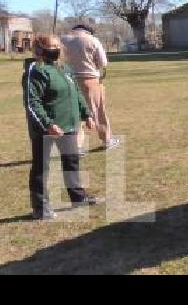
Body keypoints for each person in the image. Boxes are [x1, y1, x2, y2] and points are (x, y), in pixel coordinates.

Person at [22, 34, 103, 220]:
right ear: (40, 49)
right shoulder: (36, 70)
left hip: (69, 125)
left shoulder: (64, 68)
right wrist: (48, 124)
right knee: (41, 168)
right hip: (46, 129)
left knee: (71, 162)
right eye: (52, 46)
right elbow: (32, 102)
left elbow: (75, 93)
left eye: (58, 45)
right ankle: (40, 208)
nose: (56, 49)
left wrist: (86, 114)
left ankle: (78, 198)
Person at [61, 24, 120, 155]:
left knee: (74, 113)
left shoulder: (63, 40)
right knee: (97, 110)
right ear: (88, 32)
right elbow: (103, 63)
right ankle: (107, 139)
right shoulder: (92, 40)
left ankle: (76, 146)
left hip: (68, 79)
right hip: (90, 79)